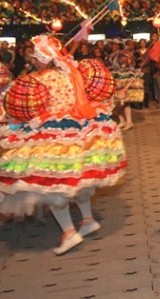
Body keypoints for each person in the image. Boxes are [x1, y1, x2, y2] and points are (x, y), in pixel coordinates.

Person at [0, 35, 126, 255]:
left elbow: (30, 106)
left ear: (42, 57)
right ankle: (87, 221)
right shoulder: (69, 74)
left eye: (35, 55)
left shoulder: (40, 79)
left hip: (53, 133)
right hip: (80, 128)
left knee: (53, 184)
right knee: (80, 180)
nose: (32, 58)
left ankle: (69, 233)